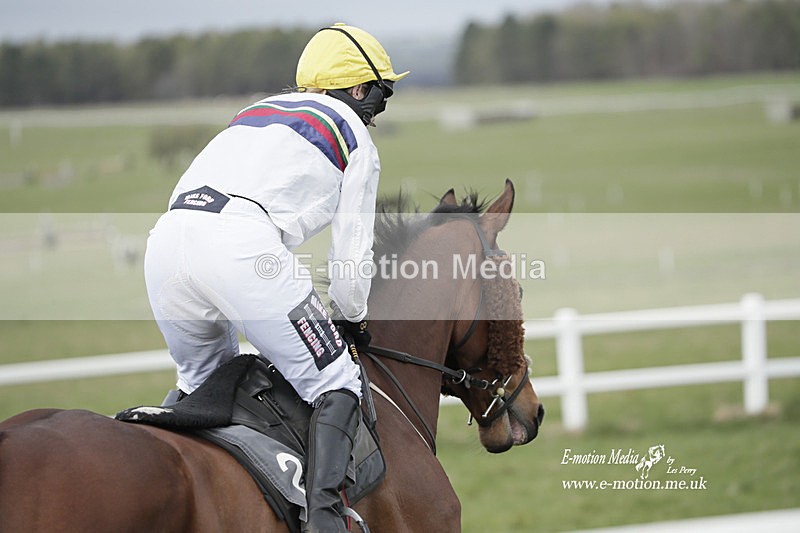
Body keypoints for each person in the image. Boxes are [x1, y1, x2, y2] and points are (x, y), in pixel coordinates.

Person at [143, 23, 408, 532]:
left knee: (204, 384)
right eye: (383, 93)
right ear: (360, 89)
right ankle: (326, 520)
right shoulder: (355, 136)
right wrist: (351, 320)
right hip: (239, 247)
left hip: (166, 244)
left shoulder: (254, 112)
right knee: (337, 379)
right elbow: (351, 256)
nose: (380, 109)